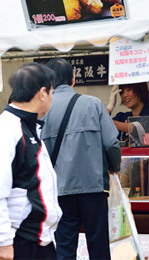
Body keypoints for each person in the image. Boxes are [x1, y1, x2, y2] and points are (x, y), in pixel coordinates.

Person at [0, 62, 62, 260]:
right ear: (41, 93)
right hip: (15, 240)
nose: (51, 97)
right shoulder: (6, 130)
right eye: (51, 92)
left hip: (36, 238)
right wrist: (3, 243)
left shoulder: (27, 126)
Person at [42, 58, 121, 260]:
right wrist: (114, 167)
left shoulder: (42, 112)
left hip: (60, 191)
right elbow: (112, 143)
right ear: (74, 79)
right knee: (99, 245)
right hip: (94, 189)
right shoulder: (93, 104)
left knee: (65, 246)